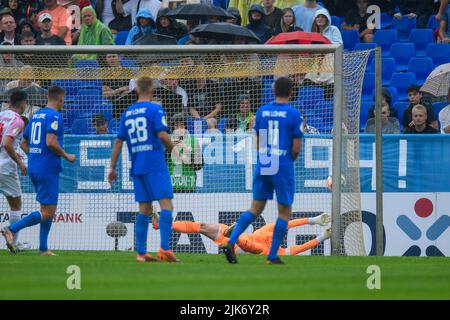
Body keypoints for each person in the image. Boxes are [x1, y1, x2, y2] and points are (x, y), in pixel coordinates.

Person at [221, 77, 303, 265]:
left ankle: (231, 242)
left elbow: (259, 140)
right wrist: (287, 162)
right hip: (282, 164)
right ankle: (272, 255)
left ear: (273, 91)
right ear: (291, 92)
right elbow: (296, 148)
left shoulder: (262, 112)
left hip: (264, 162)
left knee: (255, 208)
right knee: (284, 212)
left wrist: (265, 158)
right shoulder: (294, 114)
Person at [108, 76, 179, 263]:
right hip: (155, 163)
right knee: (167, 206)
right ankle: (164, 249)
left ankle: (141, 253)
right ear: (153, 90)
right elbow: (162, 134)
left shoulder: (128, 112)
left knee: (144, 209)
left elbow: (118, 141)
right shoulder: (155, 108)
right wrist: (174, 149)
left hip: (137, 165)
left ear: (137, 90)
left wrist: (112, 168)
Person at [1, 86, 76, 255]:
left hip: (35, 167)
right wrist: (66, 156)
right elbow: (51, 142)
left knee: (47, 209)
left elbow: (23, 143)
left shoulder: (35, 116)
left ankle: (43, 248)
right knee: (47, 211)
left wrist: (35, 156)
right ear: (61, 99)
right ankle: (12, 229)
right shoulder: (54, 116)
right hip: (47, 167)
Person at [152, 211, 331, 256]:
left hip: (241, 246)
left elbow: (299, 249)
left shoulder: (277, 251)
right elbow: (290, 223)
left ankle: (232, 237)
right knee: (202, 226)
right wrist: (313, 220)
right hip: (234, 237)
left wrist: (322, 237)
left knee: (253, 247)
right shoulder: (271, 230)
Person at [0, 90, 28, 251]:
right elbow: (7, 143)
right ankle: (13, 242)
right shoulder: (18, 121)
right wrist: (19, 162)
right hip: (5, 168)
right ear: (23, 103)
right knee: (15, 205)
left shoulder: (1, 115)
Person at [168, 113, 203, 193]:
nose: (179, 129)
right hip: (170, 187)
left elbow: (199, 166)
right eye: (176, 126)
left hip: (188, 185)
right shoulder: (167, 140)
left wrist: (187, 151)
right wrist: (171, 149)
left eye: (182, 125)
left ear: (186, 127)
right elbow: (160, 161)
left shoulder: (193, 140)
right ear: (172, 127)